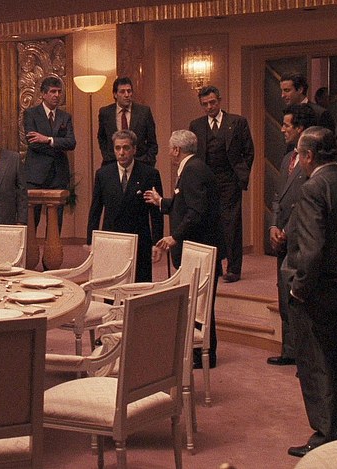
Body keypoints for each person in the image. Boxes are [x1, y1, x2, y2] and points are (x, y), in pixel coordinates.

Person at [281, 126, 337, 457]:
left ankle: (326, 435)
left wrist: (299, 289)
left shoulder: (313, 188)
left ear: (308, 155)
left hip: (315, 291)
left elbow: (312, 247)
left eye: (300, 155)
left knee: (316, 365)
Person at [145, 129, 224, 369]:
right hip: (198, 248)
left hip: (198, 249)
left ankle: (203, 354)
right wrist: (162, 202)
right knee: (199, 303)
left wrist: (174, 237)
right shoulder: (195, 167)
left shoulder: (192, 171)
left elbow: (196, 212)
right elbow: (185, 204)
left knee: (201, 304)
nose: (169, 153)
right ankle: (201, 352)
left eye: (170, 149)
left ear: (177, 150)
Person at [266, 104, 316, 367]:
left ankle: (300, 352)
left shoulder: (312, 160)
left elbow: (305, 203)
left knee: (296, 296)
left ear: (300, 128)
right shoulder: (287, 158)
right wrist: (273, 226)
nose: (282, 129)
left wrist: (287, 230)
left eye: (287, 125)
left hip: (298, 237)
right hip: (281, 234)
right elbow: (278, 197)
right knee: (283, 294)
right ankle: (289, 350)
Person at [188, 85, 254, 283]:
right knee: (209, 223)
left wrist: (240, 174)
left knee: (231, 223)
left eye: (212, 102)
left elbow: (248, 151)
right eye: (205, 104)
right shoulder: (196, 125)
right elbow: (192, 153)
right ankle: (213, 266)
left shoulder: (237, 122)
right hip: (207, 180)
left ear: (219, 100)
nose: (209, 107)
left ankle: (233, 268)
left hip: (229, 180)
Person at [87, 129, 163, 283]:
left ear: (134, 149)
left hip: (140, 240)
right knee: (111, 285)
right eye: (118, 148)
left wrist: (157, 243)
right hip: (111, 239)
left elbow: (156, 213)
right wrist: (91, 241)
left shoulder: (150, 174)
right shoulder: (103, 174)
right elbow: (95, 210)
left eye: (126, 148)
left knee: (139, 287)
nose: (121, 152)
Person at [24, 76, 76, 233]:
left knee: (56, 221)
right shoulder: (31, 114)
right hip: (36, 175)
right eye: (53, 92)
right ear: (43, 94)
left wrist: (48, 139)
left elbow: (71, 143)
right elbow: (33, 143)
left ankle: (52, 250)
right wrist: (58, 144)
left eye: (59, 92)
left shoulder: (65, 117)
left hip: (58, 174)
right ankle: (29, 249)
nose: (57, 95)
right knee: (32, 219)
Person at [97, 77, 158, 167]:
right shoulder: (105, 113)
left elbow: (152, 141)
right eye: (122, 92)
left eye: (129, 91)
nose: (127, 95)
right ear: (115, 94)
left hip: (140, 163)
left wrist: (148, 161)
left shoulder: (144, 112)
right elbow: (102, 138)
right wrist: (107, 156)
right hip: (113, 164)